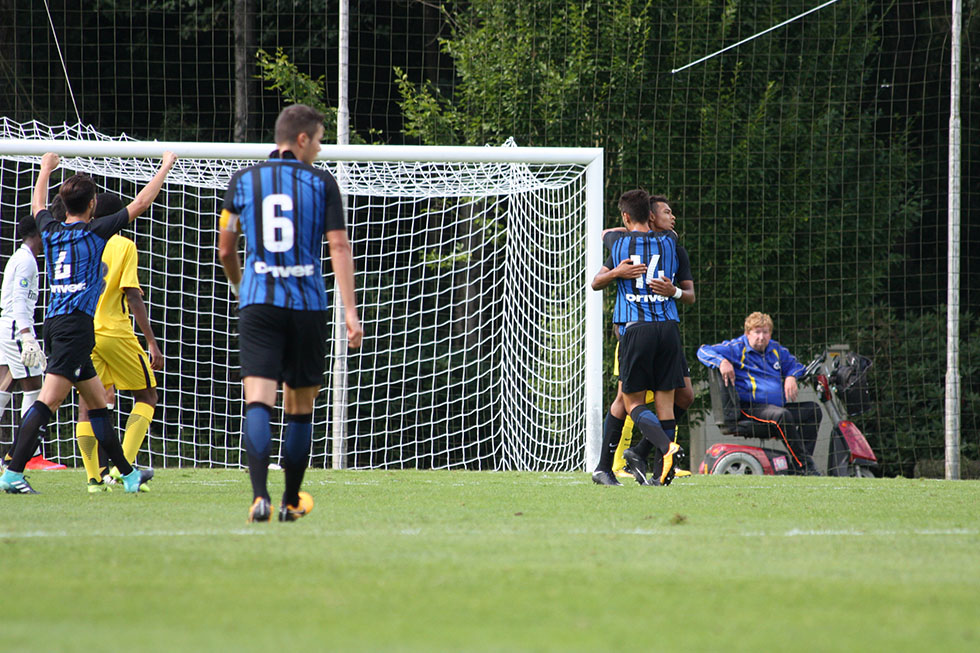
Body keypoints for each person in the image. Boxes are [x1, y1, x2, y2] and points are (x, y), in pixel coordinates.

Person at [218, 104, 363, 523]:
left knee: (258, 402)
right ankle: (291, 500)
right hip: (307, 306)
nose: (320, 148)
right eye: (319, 140)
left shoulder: (243, 181)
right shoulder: (322, 183)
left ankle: (259, 497)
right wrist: (350, 312)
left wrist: (240, 284)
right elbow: (338, 247)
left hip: (258, 303)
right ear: (302, 139)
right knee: (299, 407)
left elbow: (226, 248)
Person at [0, 150, 176, 494]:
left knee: (97, 404)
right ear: (93, 204)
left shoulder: (50, 230)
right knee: (46, 402)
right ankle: (13, 472)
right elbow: (141, 202)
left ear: (62, 206)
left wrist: (45, 169)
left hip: (57, 324)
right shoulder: (94, 234)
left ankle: (127, 475)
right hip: (74, 328)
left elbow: (38, 203)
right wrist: (166, 165)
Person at [589, 189, 685, 486]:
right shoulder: (671, 242)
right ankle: (648, 473)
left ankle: (665, 449)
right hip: (668, 328)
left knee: (631, 402)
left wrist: (619, 271)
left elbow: (606, 237)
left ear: (626, 216)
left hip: (635, 328)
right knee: (657, 403)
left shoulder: (619, 244)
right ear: (653, 216)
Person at [74, 193, 165, 493]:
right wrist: (151, 342)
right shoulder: (123, 245)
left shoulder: (81, 240)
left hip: (85, 330)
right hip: (115, 331)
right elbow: (133, 296)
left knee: (88, 405)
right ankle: (121, 468)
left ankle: (93, 480)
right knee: (147, 395)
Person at [609, 196, 695, 479]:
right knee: (627, 399)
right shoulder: (666, 242)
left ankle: (657, 455)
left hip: (657, 329)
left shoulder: (671, 248)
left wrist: (675, 293)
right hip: (645, 331)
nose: (672, 217)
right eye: (666, 212)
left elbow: (690, 296)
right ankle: (614, 464)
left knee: (680, 396)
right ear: (650, 216)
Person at [697, 311, 822, 475]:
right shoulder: (736, 348)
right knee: (782, 416)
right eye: (757, 332)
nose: (761, 337)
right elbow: (703, 351)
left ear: (770, 334)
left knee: (812, 410)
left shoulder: (776, 350)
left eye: (765, 332)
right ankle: (806, 467)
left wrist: (792, 376)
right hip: (749, 408)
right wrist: (722, 361)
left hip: (774, 408)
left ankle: (800, 463)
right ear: (747, 333)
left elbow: (796, 365)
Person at [0, 216, 65, 471]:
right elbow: (19, 299)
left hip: (9, 325)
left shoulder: (20, 257)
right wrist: (27, 336)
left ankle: (15, 456)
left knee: (6, 384)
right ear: (39, 234)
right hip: (17, 327)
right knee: (35, 388)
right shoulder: (26, 261)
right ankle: (31, 455)